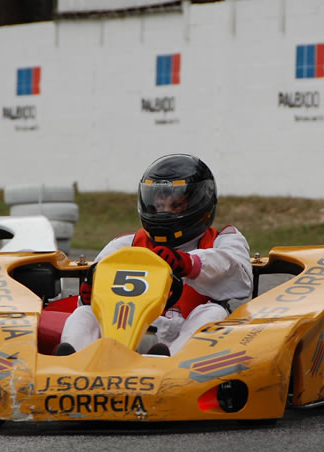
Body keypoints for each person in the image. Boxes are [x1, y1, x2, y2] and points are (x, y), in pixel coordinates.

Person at [58, 153, 253, 357]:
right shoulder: (126, 245)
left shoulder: (224, 240)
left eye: (175, 206)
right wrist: (92, 293)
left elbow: (239, 280)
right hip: (124, 336)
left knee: (214, 312)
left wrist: (189, 264)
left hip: (183, 341)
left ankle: (167, 366)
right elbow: (91, 295)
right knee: (84, 313)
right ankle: (73, 364)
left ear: (200, 203)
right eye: (159, 206)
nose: (164, 213)